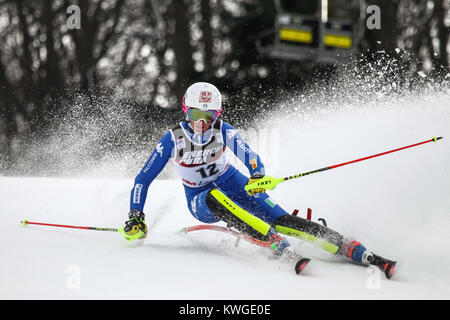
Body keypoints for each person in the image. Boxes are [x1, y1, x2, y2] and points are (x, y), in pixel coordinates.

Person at [122, 82, 396, 278]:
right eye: (196, 115)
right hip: (200, 199)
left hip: (232, 181)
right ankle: (275, 242)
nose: (202, 124)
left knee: (282, 219)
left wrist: (256, 176)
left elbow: (251, 156)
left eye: (209, 117)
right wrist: (136, 215)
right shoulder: (173, 139)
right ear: (186, 111)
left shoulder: (224, 131)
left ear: (217, 115)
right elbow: (143, 179)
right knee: (214, 198)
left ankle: (349, 247)